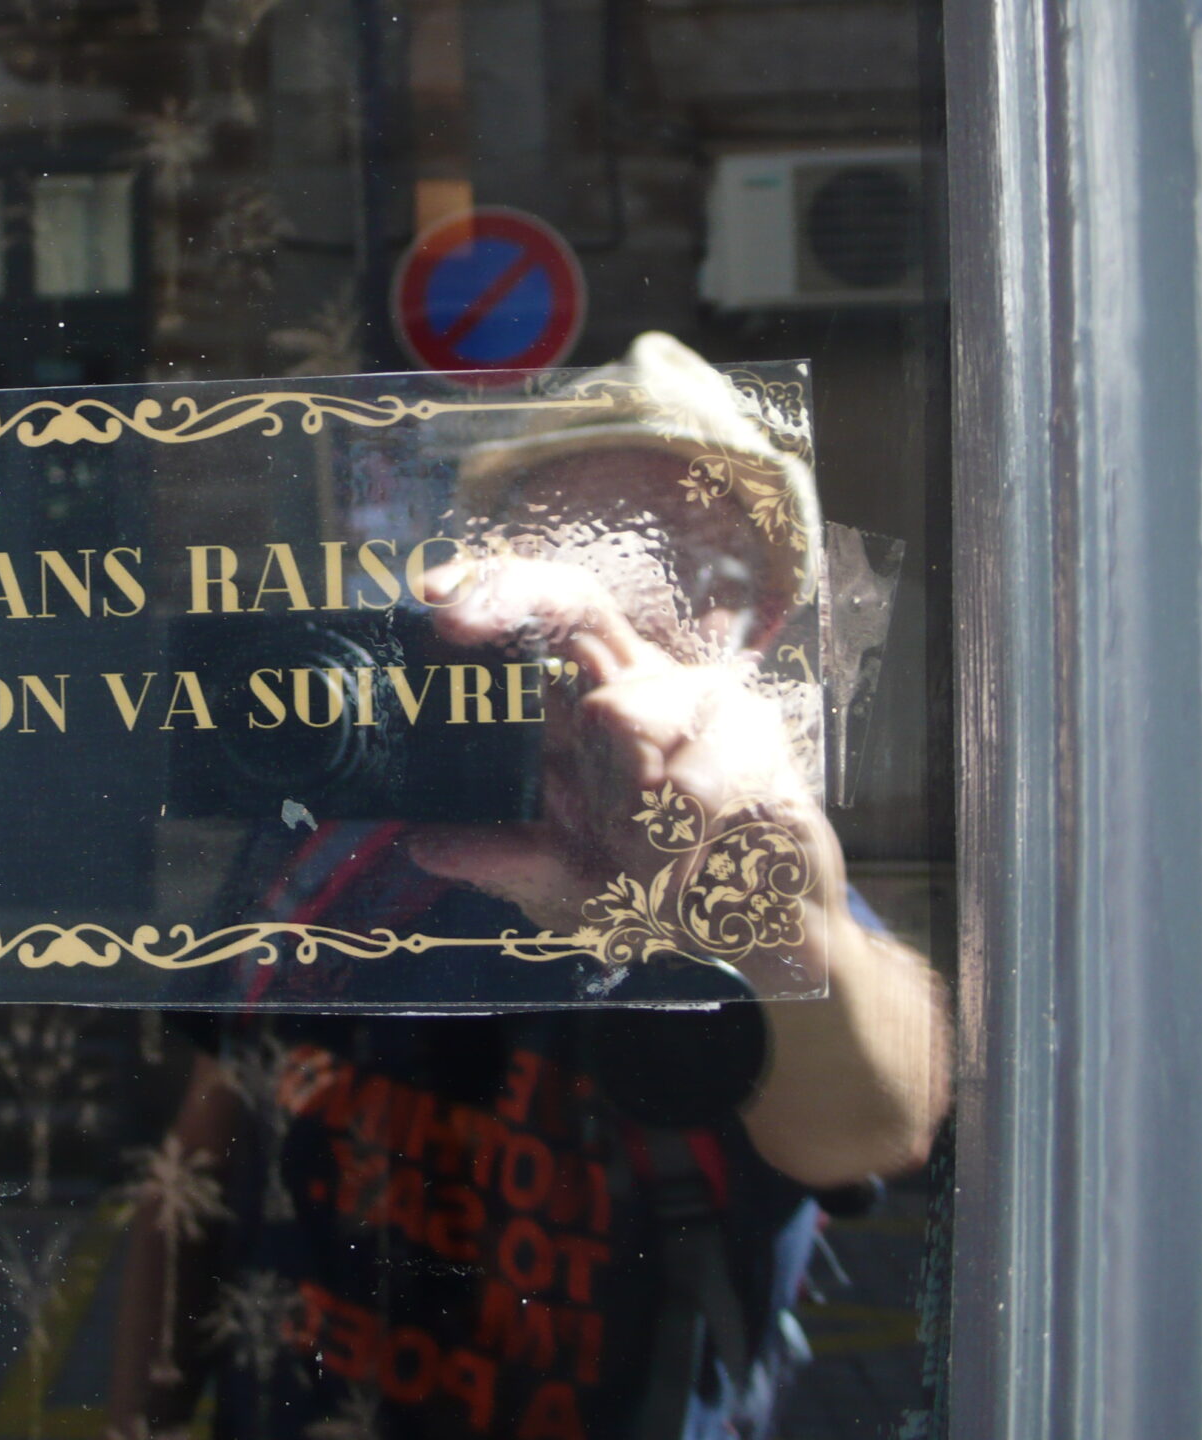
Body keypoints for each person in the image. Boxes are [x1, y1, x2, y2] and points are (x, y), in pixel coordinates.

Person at [106, 335, 951, 1440]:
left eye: (671, 562)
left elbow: (875, 1123)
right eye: (568, 546)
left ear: (767, 617)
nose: (609, 606)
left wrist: (779, 919)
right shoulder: (344, 837)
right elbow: (201, 1159)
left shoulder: (740, 881)